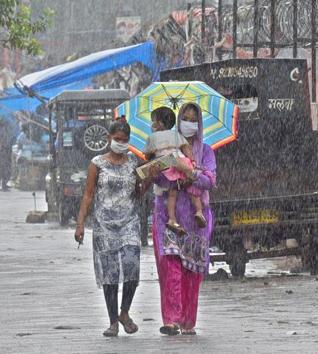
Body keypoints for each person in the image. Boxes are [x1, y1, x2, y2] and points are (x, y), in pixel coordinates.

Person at [146, 102, 216, 336]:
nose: (189, 123)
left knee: (191, 273)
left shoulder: (206, 151)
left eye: (193, 119)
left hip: (196, 221)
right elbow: (159, 181)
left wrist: (189, 173)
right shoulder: (164, 147)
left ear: (199, 124)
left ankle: (187, 322)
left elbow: (209, 181)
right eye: (184, 118)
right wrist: (160, 172)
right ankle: (172, 320)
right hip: (168, 216)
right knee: (170, 268)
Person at [74, 119, 143, 337]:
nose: (120, 143)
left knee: (132, 266)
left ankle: (125, 312)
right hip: (104, 225)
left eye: (124, 140)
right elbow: (88, 194)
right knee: (110, 274)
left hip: (129, 222)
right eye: (117, 139)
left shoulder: (134, 163)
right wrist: (80, 224)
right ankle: (113, 320)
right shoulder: (97, 163)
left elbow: (139, 193)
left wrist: (148, 178)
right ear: (108, 138)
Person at [144, 106, 206, 236]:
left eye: (153, 120)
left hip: (167, 167)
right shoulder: (177, 135)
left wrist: (152, 157)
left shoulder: (152, 138)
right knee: (192, 190)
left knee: (172, 193)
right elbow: (186, 148)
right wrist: (193, 163)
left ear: (159, 123)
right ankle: (199, 211)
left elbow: (148, 155)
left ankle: (172, 220)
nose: (152, 124)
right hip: (182, 161)